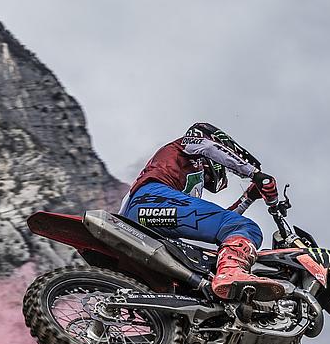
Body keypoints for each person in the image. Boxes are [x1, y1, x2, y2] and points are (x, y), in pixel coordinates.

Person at [122, 123, 286, 311]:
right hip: (150, 199)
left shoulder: (184, 177)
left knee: (193, 280)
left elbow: (220, 225)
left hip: (140, 216)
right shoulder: (188, 144)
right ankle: (230, 272)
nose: (211, 177)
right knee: (247, 228)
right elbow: (208, 146)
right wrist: (255, 174)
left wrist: (248, 198)